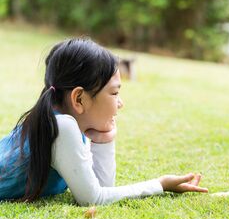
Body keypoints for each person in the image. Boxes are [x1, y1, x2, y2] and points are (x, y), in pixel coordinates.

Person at [0, 38, 208, 205]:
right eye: (114, 93)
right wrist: (161, 184)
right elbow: (93, 198)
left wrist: (104, 140)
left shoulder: (61, 122)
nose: (120, 103)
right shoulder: (63, 127)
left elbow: (101, 185)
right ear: (79, 98)